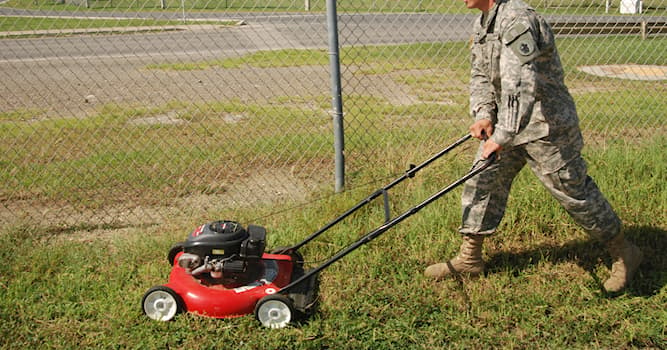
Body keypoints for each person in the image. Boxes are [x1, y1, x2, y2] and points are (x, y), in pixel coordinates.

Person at [424, 0, 642, 293]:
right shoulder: (483, 23)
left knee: (574, 194)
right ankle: (470, 258)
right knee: (482, 181)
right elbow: (481, 75)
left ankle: (624, 253)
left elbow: (521, 84)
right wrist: (484, 114)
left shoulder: (518, 21)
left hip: (546, 127)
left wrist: (502, 136)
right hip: (507, 123)